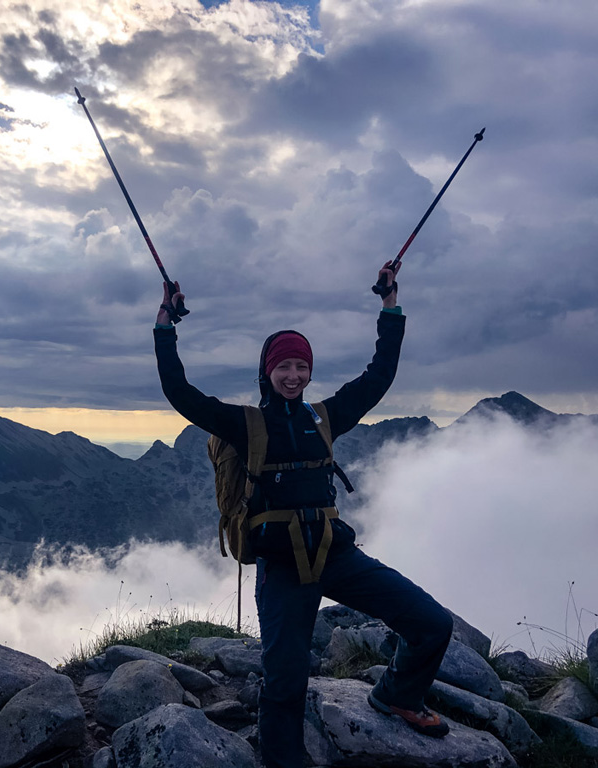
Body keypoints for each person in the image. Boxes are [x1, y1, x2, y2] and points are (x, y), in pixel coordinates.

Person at [153, 263, 454, 768]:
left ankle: (398, 694)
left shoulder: (325, 418)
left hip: (335, 554)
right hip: (282, 568)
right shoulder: (245, 423)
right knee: (285, 683)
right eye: (283, 367)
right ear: (267, 371)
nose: (293, 376)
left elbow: (379, 374)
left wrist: (390, 307)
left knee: (431, 623)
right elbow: (179, 392)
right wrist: (165, 323)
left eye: (301, 367)